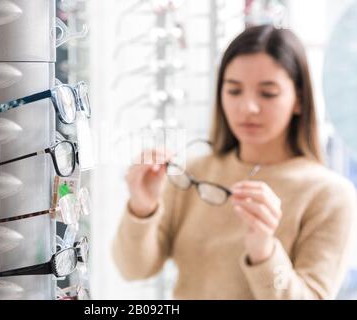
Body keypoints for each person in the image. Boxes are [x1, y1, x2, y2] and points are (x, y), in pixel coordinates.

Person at [112, 25, 357, 299]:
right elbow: (133, 269)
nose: (247, 108)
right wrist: (142, 208)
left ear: (299, 100)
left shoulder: (331, 195)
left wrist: (264, 251)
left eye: (268, 93)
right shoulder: (195, 172)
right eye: (234, 91)